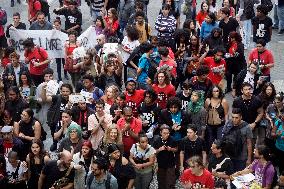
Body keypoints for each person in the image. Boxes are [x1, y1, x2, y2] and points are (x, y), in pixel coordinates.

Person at [42, 83, 73, 151]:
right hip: (56, 120)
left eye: (67, 91)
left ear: (70, 91)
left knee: (67, 135)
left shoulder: (73, 99)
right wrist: (43, 89)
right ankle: (55, 144)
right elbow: (45, 99)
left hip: (68, 122)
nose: (65, 93)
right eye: (63, 91)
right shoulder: (57, 97)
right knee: (54, 134)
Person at [233, 82, 264, 149]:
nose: (248, 91)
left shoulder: (257, 100)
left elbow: (261, 113)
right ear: (242, 90)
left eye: (249, 89)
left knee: (251, 145)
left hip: (253, 126)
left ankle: (250, 158)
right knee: (241, 144)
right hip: (241, 126)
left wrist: (255, 123)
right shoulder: (237, 101)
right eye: (245, 89)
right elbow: (234, 114)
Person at [153, 124, 177, 189]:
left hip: (170, 163)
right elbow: (153, 152)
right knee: (161, 181)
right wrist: (159, 149)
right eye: (164, 133)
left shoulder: (172, 139)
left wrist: (171, 149)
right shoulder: (156, 140)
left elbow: (176, 149)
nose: (166, 135)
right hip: (160, 164)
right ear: (160, 133)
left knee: (170, 181)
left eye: (168, 133)